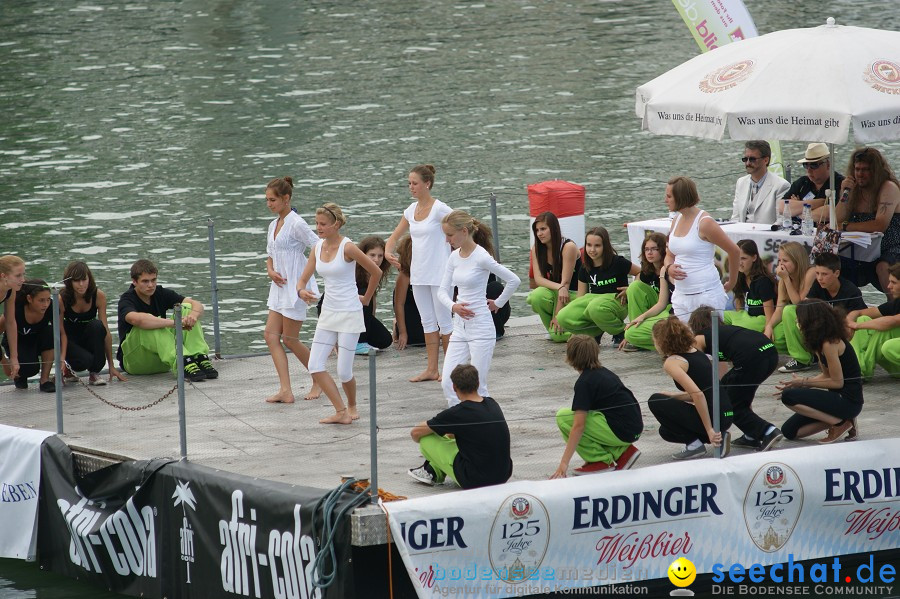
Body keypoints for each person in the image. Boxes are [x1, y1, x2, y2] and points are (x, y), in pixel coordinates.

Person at [297, 203, 382, 425]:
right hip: (328, 313)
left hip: (349, 313)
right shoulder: (317, 248)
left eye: (322, 224)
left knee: (344, 371)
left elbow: (376, 271)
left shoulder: (348, 247)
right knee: (315, 365)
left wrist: (366, 299)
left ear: (336, 224)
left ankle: (352, 404)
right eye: (316, 223)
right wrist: (301, 290)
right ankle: (341, 411)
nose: (318, 227)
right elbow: (303, 278)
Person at [438, 210, 520, 407]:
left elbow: (513, 280)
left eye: (449, 235)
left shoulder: (481, 256)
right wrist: (454, 306)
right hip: (459, 328)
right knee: (447, 383)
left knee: (478, 386)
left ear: (464, 231)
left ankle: (486, 426)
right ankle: (458, 424)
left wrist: (498, 303)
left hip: (481, 327)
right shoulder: (454, 257)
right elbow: (442, 291)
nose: (447, 240)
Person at [385, 164, 453, 382]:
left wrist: (454, 246)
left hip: (440, 273)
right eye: (409, 183)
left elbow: (465, 224)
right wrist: (388, 251)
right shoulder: (410, 211)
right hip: (419, 274)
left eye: (414, 183)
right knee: (428, 322)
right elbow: (395, 236)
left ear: (427, 184)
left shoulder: (440, 209)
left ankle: (451, 369)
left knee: (445, 322)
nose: (411, 187)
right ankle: (432, 369)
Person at [688, 306, 781, 452]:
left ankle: (768, 431)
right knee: (730, 389)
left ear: (693, 325)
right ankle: (751, 435)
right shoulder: (726, 332)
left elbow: (697, 365)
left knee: (729, 404)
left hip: (753, 358)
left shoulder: (699, 338)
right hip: (770, 352)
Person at [263, 176, 321, 404]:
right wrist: (270, 270)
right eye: (267, 200)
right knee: (270, 335)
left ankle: (319, 379)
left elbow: (318, 246)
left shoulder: (297, 223)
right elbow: (270, 254)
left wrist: (304, 279)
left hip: (295, 286)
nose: (269, 204)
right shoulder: (273, 224)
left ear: (286, 198)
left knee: (290, 339)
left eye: (273, 200)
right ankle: (285, 389)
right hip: (278, 286)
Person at [550, 335, 642, 477]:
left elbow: (578, 426)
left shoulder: (585, 382)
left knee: (564, 417)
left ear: (571, 356)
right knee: (592, 415)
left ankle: (600, 460)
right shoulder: (603, 373)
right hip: (633, 428)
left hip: (622, 430)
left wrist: (564, 463)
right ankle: (623, 452)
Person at [407, 364, 512, 489]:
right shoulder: (492, 403)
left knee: (426, 439)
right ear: (477, 383)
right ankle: (431, 470)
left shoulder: (458, 412)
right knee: (455, 439)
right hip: (503, 475)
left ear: (454, 387)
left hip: (475, 480)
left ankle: (432, 470)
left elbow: (415, 433)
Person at [776, 299, 863, 444]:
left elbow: (837, 381)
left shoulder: (830, 342)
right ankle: (843, 421)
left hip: (848, 401)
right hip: (835, 399)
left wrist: (803, 382)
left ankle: (840, 424)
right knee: (789, 431)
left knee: (788, 397)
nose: (797, 321)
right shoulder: (818, 342)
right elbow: (826, 375)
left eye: (799, 318)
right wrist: (800, 385)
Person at [648, 317, 733, 460]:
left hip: (715, 418)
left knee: (655, 400)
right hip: (726, 414)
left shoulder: (673, 362)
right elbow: (704, 391)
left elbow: (698, 395)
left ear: (661, 341)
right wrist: (673, 396)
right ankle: (713, 437)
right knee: (666, 431)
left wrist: (710, 430)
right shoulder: (697, 352)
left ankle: (699, 443)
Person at [117, 259, 217, 382]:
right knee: (150, 323)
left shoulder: (160, 292)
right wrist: (175, 324)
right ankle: (182, 361)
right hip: (136, 364)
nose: (150, 285)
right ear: (134, 281)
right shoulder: (127, 299)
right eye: (145, 281)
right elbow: (136, 319)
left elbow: (197, 305)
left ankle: (198, 357)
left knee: (187, 309)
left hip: (163, 361)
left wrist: (192, 317)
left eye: (153, 280)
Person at [665, 176, 740, 322]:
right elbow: (669, 254)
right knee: (684, 342)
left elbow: (734, 251)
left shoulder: (705, 223)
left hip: (705, 294)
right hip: (681, 294)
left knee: (708, 341)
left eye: (669, 196)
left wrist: (732, 281)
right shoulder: (676, 220)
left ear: (680, 197)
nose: (665, 200)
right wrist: (668, 267)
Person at [779, 252, 867, 373]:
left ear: (836, 273)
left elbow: (861, 314)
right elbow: (804, 304)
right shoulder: (818, 284)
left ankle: (854, 363)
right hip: (822, 328)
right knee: (790, 311)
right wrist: (801, 318)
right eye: (817, 273)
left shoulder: (851, 291)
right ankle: (802, 359)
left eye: (824, 274)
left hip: (843, 332)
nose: (820, 278)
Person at [556, 226, 639, 345]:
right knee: (563, 316)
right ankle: (592, 333)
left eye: (597, 246)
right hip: (593, 303)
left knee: (594, 307)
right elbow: (580, 298)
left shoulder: (618, 262)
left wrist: (630, 288)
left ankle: (621, 332)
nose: (592, 250)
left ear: (605, 246)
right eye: (589, 245)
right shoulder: (584, 268)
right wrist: (575, 331)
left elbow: (640, 273)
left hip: (617, 302)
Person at [836, 147, 900, 295]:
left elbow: (880, 225)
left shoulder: (888, 188)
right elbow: (837, 220)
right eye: (857, 169)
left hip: (890, 247)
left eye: (865, 170)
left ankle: (894, 308)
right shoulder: (853, 189)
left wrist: (846, 226)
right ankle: (840, 308)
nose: (860, 174)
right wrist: (844, 193)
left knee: (883, 267)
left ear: (876, 171)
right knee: (831, 264)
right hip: (860, 248)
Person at [59, 261, 126, 385]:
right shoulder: (62, 298)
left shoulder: (98, 295)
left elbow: (106, 331)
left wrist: (112, 366)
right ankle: (67, 369)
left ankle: (94, 373)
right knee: (84, 361)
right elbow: (59, 332)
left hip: (87, 336)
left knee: (97, 326)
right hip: (69, 338)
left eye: (84, 279)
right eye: (76, 281)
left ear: (89, 279)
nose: (81, 284)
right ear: (69, 282)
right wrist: (61, 360)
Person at [526, 211, 581, 342]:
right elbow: (539, 279)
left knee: (557, 336)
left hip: (574, 294)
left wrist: (557, 315)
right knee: (536, 296)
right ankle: (552, 328)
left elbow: (566, 283)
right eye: (537, 230)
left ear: (554, 228)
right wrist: (559, 287)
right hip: (558, 291)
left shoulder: (568, 247)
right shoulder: (537, 249)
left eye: (543, 229)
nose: (539, 233)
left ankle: (583, 333)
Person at [1, 279, 55, 392]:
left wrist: (62, 359)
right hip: (17, 343)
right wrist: (5, 362)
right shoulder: (16, 310)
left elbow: (62, 333)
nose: (45, 304)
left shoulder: (51, 308)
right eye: (41, 300)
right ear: (29, 299)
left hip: (36, 341)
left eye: (48, 300)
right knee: (30, 369)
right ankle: (20, 376)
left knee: (50, 332)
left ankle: (45, 380)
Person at [621, 234, 673, 352]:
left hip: (669, 308)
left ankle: (669, 346)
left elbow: (663, 303)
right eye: (646, 249)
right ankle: (634, 330)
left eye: (654, 249)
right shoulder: (646, 270)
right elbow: (636, 288)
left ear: (663, 250)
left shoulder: (669, 269)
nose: (649, 253)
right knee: (633, 287)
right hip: (657, 305)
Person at [848, 263, 900, 379]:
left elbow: (892, 321)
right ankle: (859, 367)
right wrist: (849, 322)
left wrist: (857, 326)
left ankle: (860, 370)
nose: (888, 286)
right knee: (862, 318)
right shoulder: (897, 302)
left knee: (885, 335)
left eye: (894, 282)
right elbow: (859, 312)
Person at [764, 242, 813, 367]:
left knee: (789, 310)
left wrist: (786, 279)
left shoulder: (810, 273)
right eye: (779, 260)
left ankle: (802, 359)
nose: (781, 265)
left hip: (813, 319)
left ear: (797, 260)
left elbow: (799, 304)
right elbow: (779, 307)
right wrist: (769, 326)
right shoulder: (784, 280)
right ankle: (808, 352)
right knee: (774, 338)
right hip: (798, 321)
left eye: (785, 260)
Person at [778, 142, 844, 224]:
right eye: (806, 165)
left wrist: (797, 211)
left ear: (828, 165)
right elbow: (781, 207)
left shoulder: (839, 183)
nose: (809, 170)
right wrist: (816, 203)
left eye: (814, 165)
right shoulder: (802, 182)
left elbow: (829, 213)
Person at [731, 140, 790, 224]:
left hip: (768, 235)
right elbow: (735, 217)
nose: (747, 163)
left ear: (766, 160)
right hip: (742, 234)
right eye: (745, 159)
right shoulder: (741, 182)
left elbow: (781, 221)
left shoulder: (781, 186)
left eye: (752, 159)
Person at [724, 239, 776, 333]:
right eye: (737, 258)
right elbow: (739, 301)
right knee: (718, 316)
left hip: (762, 319)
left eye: (743, 258)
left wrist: (768, 331)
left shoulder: (762, 281)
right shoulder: (739, 275)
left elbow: (770, 314)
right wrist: (738, 317)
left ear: (754, 258)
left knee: (741, 326)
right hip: (747, 317)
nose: (739, 262)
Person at [353, 236, 393, 355]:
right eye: (372, 255)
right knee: (364, 292)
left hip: (360, 312)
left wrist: (370, 321)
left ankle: (356, 340)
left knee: (385, 340)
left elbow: (372, 298)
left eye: (380, 256)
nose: (376, 259)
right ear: (363, 254)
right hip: (343, 310)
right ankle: (358, 342)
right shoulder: (354, 270)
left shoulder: (374, 272)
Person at [392, 235, 425, 349]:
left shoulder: (430, 271)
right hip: (409, 312)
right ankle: (397, 325)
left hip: (424, 312)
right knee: (417, 340)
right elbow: (398, 304)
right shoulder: (405, 274)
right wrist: (403, 333)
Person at [0, 255, 26, 381]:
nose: (23, 279)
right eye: (18, 276)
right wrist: (3, 360)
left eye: (23, 274)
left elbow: (10, 322)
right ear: (3, 276)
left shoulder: (10, 290)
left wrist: (14, 358)